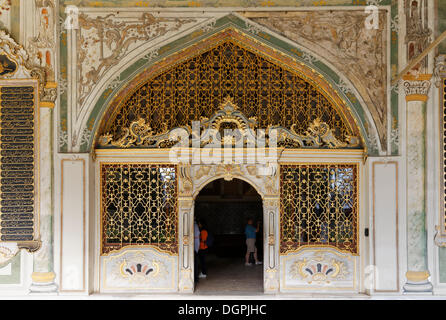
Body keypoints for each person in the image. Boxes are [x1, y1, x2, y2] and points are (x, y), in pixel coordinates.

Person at [194, 219, 200, 283]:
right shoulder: (196, 226)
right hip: (195, 247)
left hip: (194, 248)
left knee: (195, 263)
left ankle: (195, 278)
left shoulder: (195, 226)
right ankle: (195, 277)